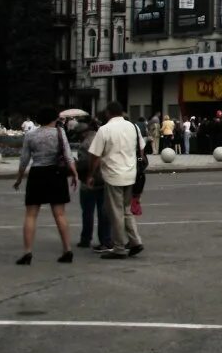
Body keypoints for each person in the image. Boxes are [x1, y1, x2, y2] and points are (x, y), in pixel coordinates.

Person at [12, 107, 78, 265]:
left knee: (31, 214)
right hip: (56, 173)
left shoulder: (30, 135)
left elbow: (24, 160)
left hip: (37, 174)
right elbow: (68, 156)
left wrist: (19, 179)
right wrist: (74, 174)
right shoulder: (59, 133)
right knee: (60, 214)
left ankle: (27, 252)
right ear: (53, 119)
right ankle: (67, 249)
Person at [87, 101, 145, 259]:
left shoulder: (104, 130)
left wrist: (91, 174)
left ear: (108, 113)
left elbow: (95, 155)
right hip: (130, 174)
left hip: (113, 175)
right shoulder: (133, 127)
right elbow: (141, 149)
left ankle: (119, 247)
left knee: (116, 212)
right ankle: (135, 241)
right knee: (126, 210)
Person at [76, 119, 111, 252]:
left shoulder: (85, 144)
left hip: (89, 182)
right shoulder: (101, 138)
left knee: (88, 212)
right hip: (105, 180)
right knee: (104, 213)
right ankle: (106, 239)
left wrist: (76, 165)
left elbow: (85, 164)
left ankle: (86, 239)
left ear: (82, 133)